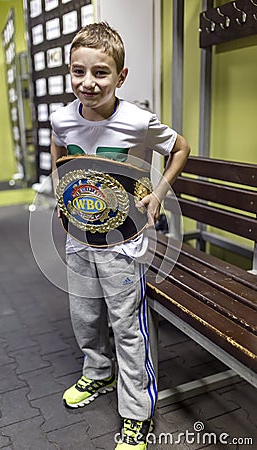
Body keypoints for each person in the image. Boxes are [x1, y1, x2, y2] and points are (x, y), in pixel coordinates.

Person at [50, 22, 190, 450]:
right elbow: (58, 148)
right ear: (70, 72)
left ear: (121, 76)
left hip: (124, 244)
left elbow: (181, 148)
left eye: (100, 73)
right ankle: (97, 373)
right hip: (79, 239)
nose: (87, 83)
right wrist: (60, 188)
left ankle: (138, 413)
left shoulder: (137, 121)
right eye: (78, 72)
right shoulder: (61, 117)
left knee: (127, 326)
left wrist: (158, 193)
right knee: (85, 315)